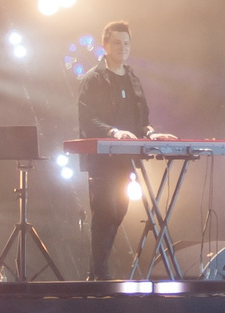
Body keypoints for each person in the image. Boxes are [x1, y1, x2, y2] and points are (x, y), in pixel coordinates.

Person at [74, 21, 175, 279]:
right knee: (105, 212)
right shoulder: (93, 79)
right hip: (102, 159)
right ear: (105, 46)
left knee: (119, 211)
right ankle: (99, 276)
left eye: (127, 43)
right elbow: (88, 119)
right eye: (117, 43)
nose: (123, 48)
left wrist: (151, 133)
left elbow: (142, 119)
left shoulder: (132, 78)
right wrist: (114, 132)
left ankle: (95, 273)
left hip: (127, 159)